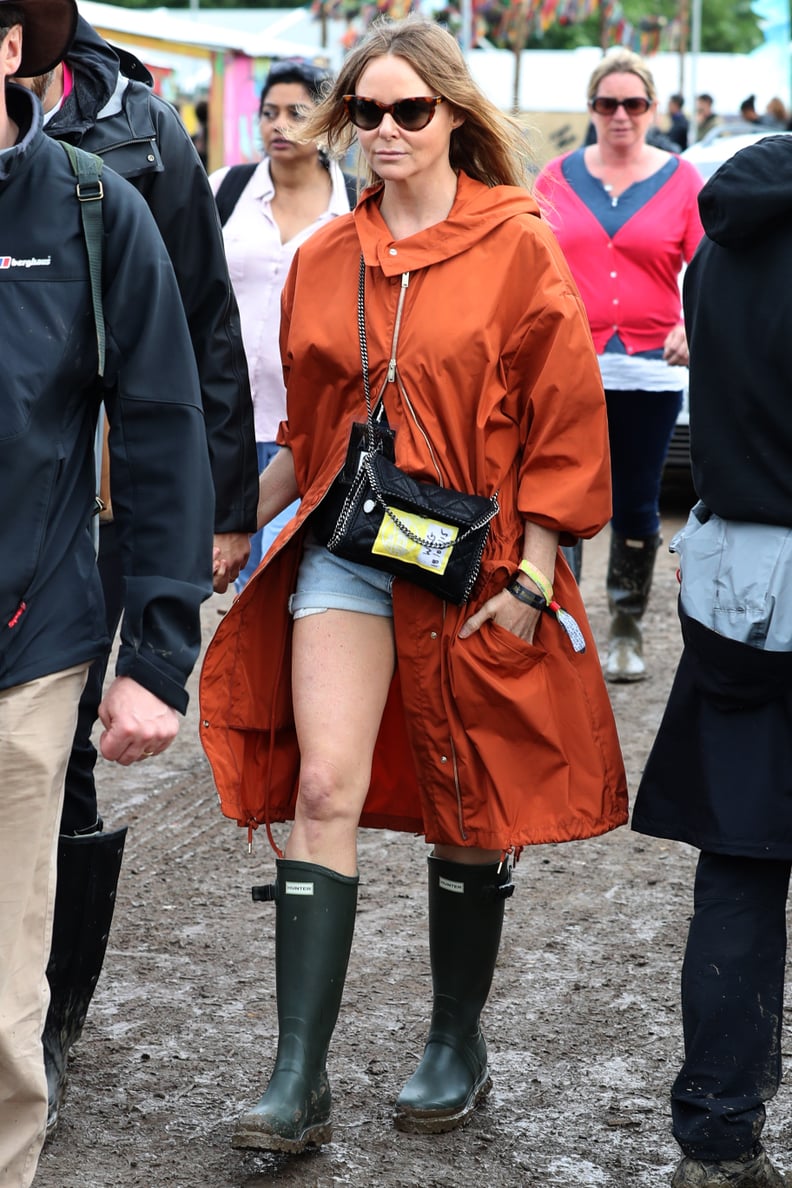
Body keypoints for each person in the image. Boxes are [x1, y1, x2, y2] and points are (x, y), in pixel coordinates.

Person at [200, 13, 628, 1156]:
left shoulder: (516, 245)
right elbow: (310, 428)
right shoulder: (324, 257)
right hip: (346, 548)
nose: (387, 131)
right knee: (324, 789)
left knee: (469, 804)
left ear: (451, 115)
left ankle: (456, 1041)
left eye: (410, 110)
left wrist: (535, 581)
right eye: (369, 111)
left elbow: (563, 426)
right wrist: (230, 517)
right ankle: (298, 1080)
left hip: (477, 561)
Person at [15, 14, 259, 1136]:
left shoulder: (133, 148)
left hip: (69, 547)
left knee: (55, 772)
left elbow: (196, 336)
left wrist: (218, 521)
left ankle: (47, 1019)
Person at [631, 135, 792, 1188]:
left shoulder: (729, 231)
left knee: (741, 862)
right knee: (738, 864)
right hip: (751, 561)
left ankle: (718, 1136)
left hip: (741, 571)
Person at [534, 48, 704, 682]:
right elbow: (532, 265)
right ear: (592, 110)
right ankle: (559, 624)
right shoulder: (555, 176)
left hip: (651, 370)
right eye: (608, 104)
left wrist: (693, 325)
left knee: (637, 499)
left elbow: (709, 270)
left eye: (634, 103)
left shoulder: (683, 179)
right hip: (569, 368)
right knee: (561, 497)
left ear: (652, 108)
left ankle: (627, 626)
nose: (621, 115)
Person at [209, 59, 352, 593]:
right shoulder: (225, 190)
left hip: (311, 429)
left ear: (326, 120)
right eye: (269, 112)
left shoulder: (356, 207)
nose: (279, 124)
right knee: (229, 573)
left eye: (297, 112)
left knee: (293, 578)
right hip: (224, 423)